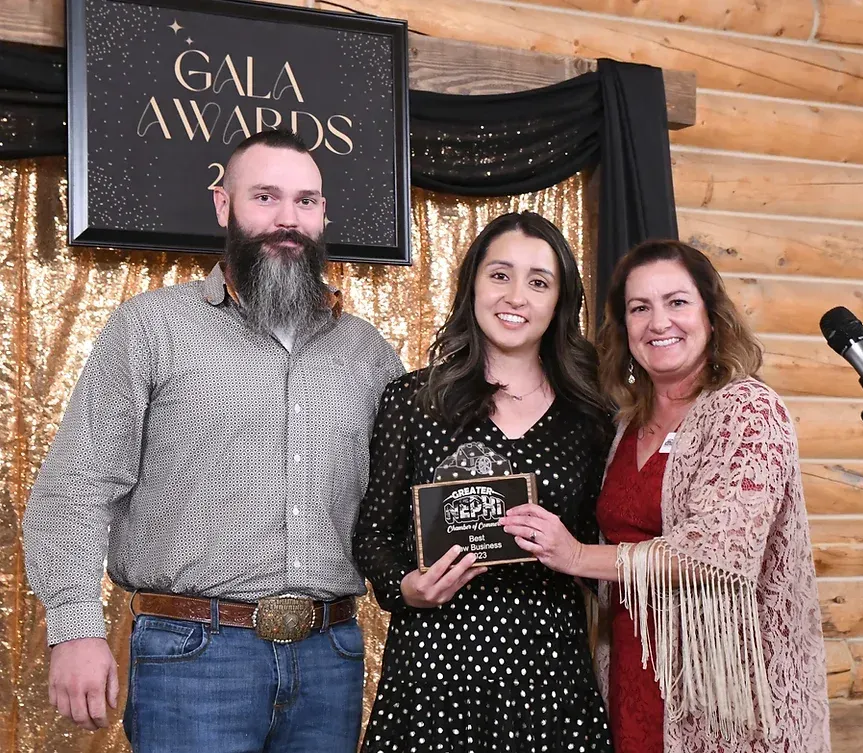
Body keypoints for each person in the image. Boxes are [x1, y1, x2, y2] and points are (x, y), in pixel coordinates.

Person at [22, 128, 404, 752]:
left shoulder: (365, 350)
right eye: (266, 197)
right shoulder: (152, 326)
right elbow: (76, 487)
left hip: (331, 656)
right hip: (192, 656)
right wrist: (73, 627)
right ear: (224, 206)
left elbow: (400, 498)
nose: (288, 219)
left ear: (323, 215)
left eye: (306, 202)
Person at [502, 239, 831, 753]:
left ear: (712, 316)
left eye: (676, 302)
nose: (659, 323)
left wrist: (577, 556)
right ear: (623, 328)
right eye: (640, 308)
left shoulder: (748, 410)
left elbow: (719, 554)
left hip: (725, 694)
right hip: (633, 670)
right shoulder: (626, 424)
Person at [353, 211, 614, 752]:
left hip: (550, 679)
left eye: (538, 282)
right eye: (500, 275)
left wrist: (574, 552)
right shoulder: (414, 401)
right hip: (433, 676)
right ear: (472, 282)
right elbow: (372, 535)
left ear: (560, 302)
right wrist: (406, 588)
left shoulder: (590, 417)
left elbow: (602, 553)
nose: (516, 296)